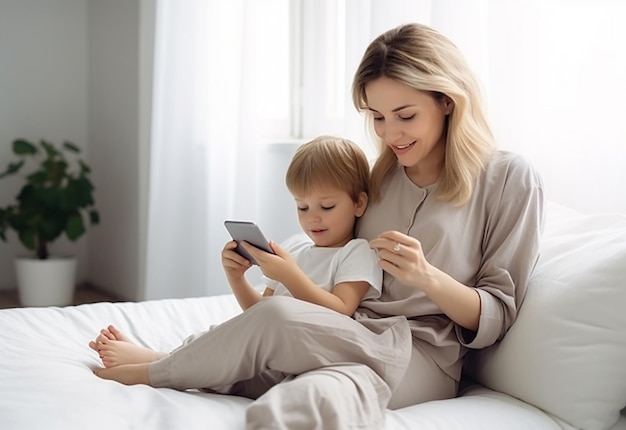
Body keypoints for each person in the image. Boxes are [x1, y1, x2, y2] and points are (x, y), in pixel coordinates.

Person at [91, 23, 545, 429]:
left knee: (293, 354)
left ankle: (158, 367)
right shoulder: (380, 178)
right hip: (347, 336)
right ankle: (188, 365)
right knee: (295, 378)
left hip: (421, 356)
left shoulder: (508, 179)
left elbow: (498, 314)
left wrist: (427, 276)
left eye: (406, 116)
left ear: (447, 101)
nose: (391, 135)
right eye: (377, 118)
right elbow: (330, 257)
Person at [91, 135, 382, 366]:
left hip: (300, 347)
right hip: (267, 335)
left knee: (232, 349)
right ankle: (166, 357)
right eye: (302, 206)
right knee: (225, 332)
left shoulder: (356, 252)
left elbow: (343, 311)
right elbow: (258, 313)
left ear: (358, 203)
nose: (312, 218)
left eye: (327, 206)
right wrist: (236, 278)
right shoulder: (296, 246)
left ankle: (159, 361)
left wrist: (291, 276)